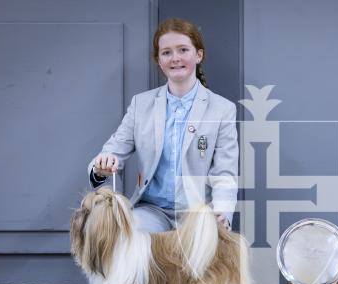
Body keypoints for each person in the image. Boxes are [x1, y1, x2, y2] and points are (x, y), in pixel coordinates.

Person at [89, 18, 238, 233]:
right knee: (131, 234)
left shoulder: (223, 109)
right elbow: (111, 152)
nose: (175, 58)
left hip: (198, 214)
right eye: (166, 52)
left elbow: (225, 173)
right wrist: (101, 166)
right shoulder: (140, 104)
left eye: (183, 50)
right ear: (159, 60)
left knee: (203, 253)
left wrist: (222, 215)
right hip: (151, 211)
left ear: (199, 55)